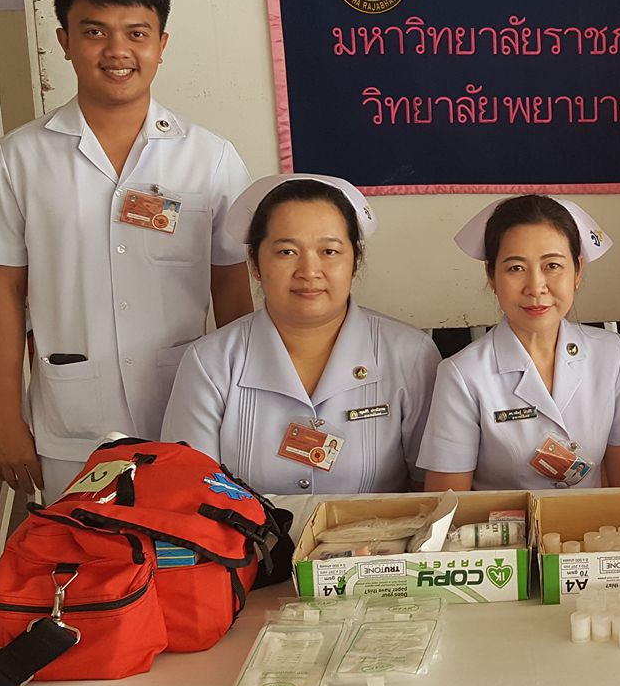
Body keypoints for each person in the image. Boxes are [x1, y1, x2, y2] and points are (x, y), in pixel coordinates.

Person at [0, 0, 254, 499]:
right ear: (65, 41)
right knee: (80, 547)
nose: (117, 51)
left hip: (190, 410)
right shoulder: (20, 157)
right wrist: (4, 417)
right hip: (72, 422)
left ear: (161, 44)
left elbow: (233, 291)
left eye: (136, 33)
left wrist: (243, 402)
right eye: (94, 32)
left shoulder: (209, 158)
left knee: (186, 545)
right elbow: (4, 293)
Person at [161, 174, 440, 495]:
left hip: (381, 530)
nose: (309, 271)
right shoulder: (210, 362)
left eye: (329, 251)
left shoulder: (410, 354)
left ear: (354, 261)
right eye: (286, 252)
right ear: (254, 263)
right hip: (243, 530)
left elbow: (430, 487)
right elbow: (190, 489)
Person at [417, 195, 620, 491]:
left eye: (552, 265)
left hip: (590, 522)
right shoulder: (462, 375)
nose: (536, 287)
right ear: (492, 276)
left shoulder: (611, 354)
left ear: (577, 271)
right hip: (498, 524)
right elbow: (450, 501)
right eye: (516, 268)